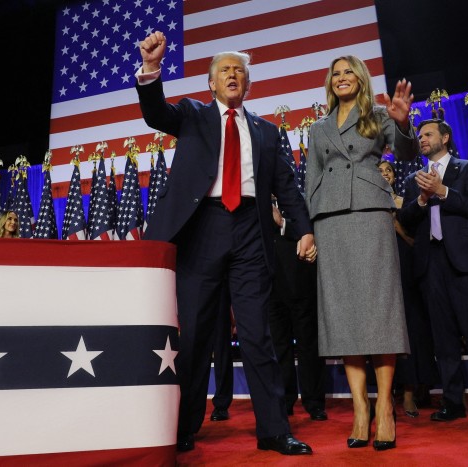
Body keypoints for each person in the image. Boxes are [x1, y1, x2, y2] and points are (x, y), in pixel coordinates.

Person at [136, 31, 316, 455]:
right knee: (195, 335)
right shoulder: (193, 115)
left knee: (258, 334)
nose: (233, 75)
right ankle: (183, 427)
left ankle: (274, 429)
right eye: (225, 71)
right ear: (211, 84)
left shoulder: (268, 133)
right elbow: (155, 113)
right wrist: (149, 68)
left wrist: (304, 227)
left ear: (248, 84)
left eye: (240, 71)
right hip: (202, 229)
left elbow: (287, 188)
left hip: (252, 231)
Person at [305, 55, 416, 451]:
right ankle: (359, 409)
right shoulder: (317, 128)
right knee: (345, 316)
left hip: (370, 214)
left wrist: (403, 123)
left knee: (378, 312)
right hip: (330, 221)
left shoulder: (379, 115)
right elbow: (311, 178)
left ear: (361, 78)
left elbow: (405, 152)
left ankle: (384, 407)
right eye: (335, 74)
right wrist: (309, 228)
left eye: (348, 72)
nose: (341, 78)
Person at [398, 119, 468, 426]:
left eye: (428, 134)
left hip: (465, 263)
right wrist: (421, 199)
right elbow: (405, 219)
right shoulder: (414, 180)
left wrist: (442, 191)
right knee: (443, 339)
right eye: (419, 136)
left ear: (445, 138)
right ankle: (452, 401)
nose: (422, 139)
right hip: (430, 265)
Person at [378, 160, 436, 417]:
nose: (384, 174)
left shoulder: (405, 202)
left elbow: (416, 241)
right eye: (378, 171)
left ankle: (411, 392)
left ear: (394, 176)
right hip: (378, 272)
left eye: (388, 170)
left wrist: (396, 225)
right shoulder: (367, 205)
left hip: (406, 271)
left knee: (411, 329)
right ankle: (386, 394)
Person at [269, 199, 326, 421]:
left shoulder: (298, 201)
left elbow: (310, 231)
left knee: (308, 346)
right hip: (270, 288)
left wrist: (282, 221)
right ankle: (285, 401)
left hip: (301, 284)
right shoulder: (255, 203)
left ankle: (314, 402)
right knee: (279, 347)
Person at [210, 288, 234, 422]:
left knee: (221, 346)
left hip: (220, 284)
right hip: (194, 280)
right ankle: (191, 405)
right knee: (194, 342)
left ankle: (221, 404)